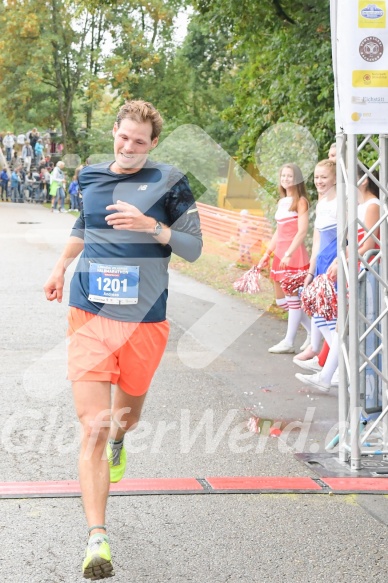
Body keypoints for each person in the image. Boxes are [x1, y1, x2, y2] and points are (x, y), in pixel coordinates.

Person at [43, 99, 202, 580]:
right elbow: (83, 224)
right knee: (91, 423)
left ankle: (120, 440)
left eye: (139, 141)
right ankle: (97, 537)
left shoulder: (170, 181)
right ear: (114, 131)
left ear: (153, 144)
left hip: (145, 321)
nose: (128, 147)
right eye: (122, 136)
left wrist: (151, 226)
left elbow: (193, 248)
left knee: (124, 419)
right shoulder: (89, 176)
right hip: (89, 312)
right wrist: (60, 264)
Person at [295, 168, 380, 392]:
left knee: (349, 325)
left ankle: (340, 377)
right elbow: (354, 243)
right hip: (353, 267)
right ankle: (333, 375)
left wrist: (342, 261)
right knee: (342, 324)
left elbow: (369, 245)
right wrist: (338, 261)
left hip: (367, 271)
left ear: (362, 182)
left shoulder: (373, 206)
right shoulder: (362, 206)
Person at [258, 163, 310, 354]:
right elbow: (278, 233)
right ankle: (312, 331)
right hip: (280, 254)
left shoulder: (301, 201)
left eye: (290, 176)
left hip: (293, 254)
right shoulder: (282, 202)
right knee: (282, 302)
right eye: (283, 176)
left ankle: (289, 341)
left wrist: (289, 253)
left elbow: (302, 231)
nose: (286, 179)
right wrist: (266, 254)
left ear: (297, 179)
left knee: (293, 298)